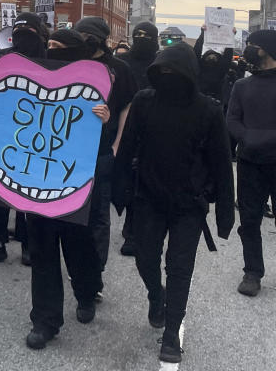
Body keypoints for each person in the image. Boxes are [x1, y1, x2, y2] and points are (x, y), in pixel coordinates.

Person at [114, 43, 234, 363]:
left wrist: (224, 211)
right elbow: (127, 147)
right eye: (162, 71)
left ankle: (171, 334)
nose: (168, 76)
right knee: (144, 258)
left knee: (180, 269)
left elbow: (222, 163)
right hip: (149, 198)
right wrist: (119, 188)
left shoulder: (208, 110)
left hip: (188, 205)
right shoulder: (144, 101)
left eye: (174, 71)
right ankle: (157, 296)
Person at [26, 29, 109, 350]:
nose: (51, 51)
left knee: (79, 244)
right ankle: (45, 320)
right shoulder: (32, 78)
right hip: (38, 179)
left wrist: (106, 120)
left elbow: (113, 138)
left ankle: (87, 291)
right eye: (49, 47)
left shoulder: (99, 83)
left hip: (77, 180)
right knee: (43, 250)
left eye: (58, 48)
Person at [0, 13, 49, 265]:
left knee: (29, 193)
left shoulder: (50, 61)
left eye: (30, 33)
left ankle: (29, 243)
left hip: (34, 138)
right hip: (0, 134)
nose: (24, 38)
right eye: (19, 32)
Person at [73, 17, 137, 285]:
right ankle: (78, 267)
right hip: (69, 149)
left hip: (101, 150)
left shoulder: (119, 69)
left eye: (86, 35)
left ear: (99, 38)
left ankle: (94, 275)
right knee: (72, 213)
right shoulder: (70, 62)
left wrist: (116, 144)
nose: (82, 40)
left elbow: (127, 107)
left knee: (99, 215)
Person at [227, 29, 276, 298]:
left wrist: (258, 138)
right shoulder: (242, 86)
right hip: (250, 163)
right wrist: (248, 138)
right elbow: (232, 119)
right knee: (249, 220)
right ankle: (252, 272)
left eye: (252, 45)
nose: (247, 49)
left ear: (266, 49)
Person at [117, 21, 160, 257]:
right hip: (127, 126)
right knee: (130, 178)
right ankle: (131, 225)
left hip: (156, 127)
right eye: (138, 35)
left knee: (148, 179)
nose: (141, 39)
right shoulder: (124, 63)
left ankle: (139, 227)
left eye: (146, 36)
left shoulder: (161, 63)